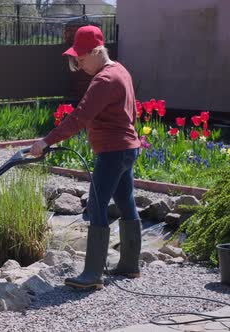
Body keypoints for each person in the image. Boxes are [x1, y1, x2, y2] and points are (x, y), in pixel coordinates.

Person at [30, 25, 142, 290]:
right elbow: (132, 111)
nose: (78, 65)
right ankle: (130, 265)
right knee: (125, 201)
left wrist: (47, 140)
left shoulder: (104, 80)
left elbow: (80, 117)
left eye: (80, 59)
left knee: (97, 205)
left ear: (95, 51)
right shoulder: (120, 71)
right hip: (128, 147)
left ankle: (93, 275)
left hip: (113, 151)